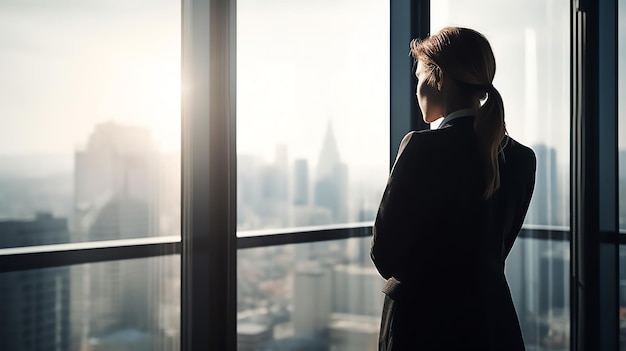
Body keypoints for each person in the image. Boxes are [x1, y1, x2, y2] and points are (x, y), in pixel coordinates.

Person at [370, 27, 536, 350]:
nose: (416, 89)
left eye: (419, 77)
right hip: (490, 327)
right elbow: (494, 249)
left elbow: (384, 254)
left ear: (440, 78)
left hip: (420, 329)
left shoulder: (420, 148)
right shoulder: (522, 159)